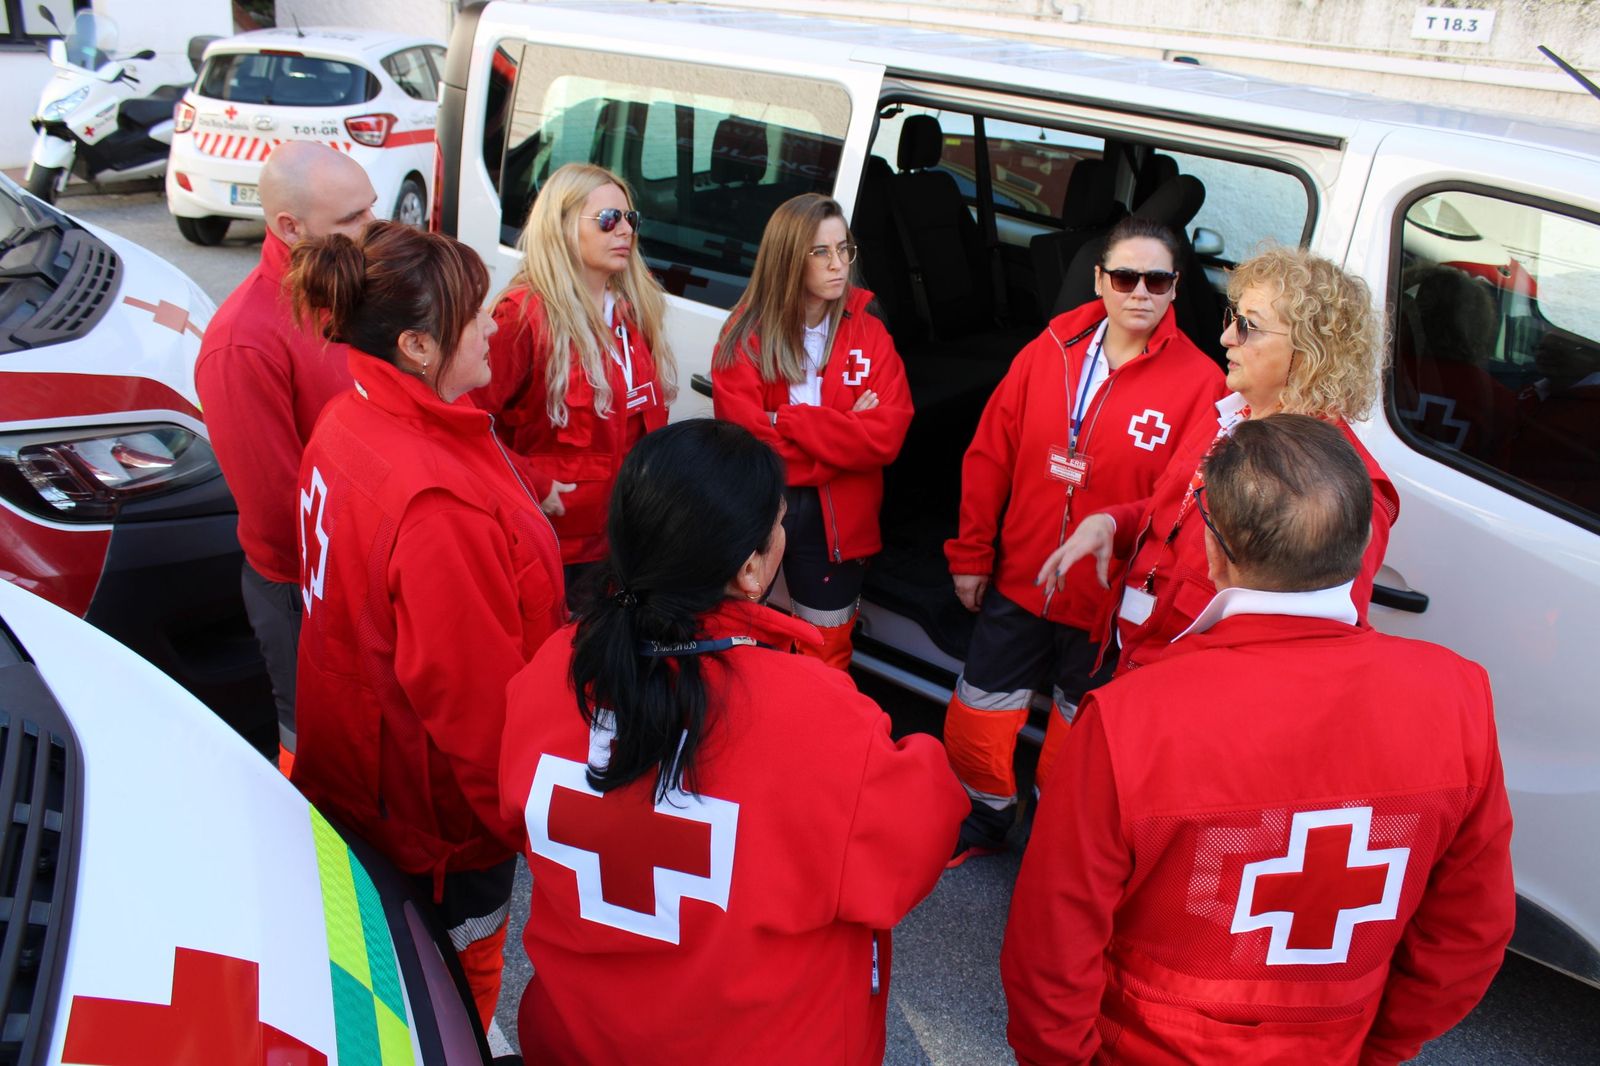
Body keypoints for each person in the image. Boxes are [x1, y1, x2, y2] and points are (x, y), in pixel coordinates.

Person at [1002, 415, 1514, 1065]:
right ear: (1361, 547)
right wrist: (1378, 1047)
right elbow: (1471, 934)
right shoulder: (1459, 699)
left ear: (1213, 551)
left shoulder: (1130, 720)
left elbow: (1052, 945)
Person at [501, 419, 965, 1065]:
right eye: (778, 524)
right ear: (751, 568)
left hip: (576, 1037)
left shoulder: (554, 668)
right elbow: (908, 852)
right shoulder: (813, 712)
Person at [288, 221, 565, 1032]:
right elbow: (476, 715)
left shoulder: (351, 417)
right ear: (416, 344)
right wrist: (535, 829)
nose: (494, 324)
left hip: (359, 773)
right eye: (476, 313)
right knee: (442, 998)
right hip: (438, 827)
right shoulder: (435, 503)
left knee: (368, 975)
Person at [941, 217, 1225, 862]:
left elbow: (1181, 502)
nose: (1140, 293)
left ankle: (1055, 840)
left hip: (1107, 602)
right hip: (1022, 577)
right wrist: (971, 554)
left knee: (1079, 735)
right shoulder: (1048, 350)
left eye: (1158, 279)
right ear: (1099, 280)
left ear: (1176, 289)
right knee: (979, 710)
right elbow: (990, 457)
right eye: (1124, 276)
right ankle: (983, 818)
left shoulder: (1202, 383)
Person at [1039, 246, 1401, 680]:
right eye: (1232, 319)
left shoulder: (1338, 484)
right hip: (1128, 648)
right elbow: (1173, 513)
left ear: (1309, 352)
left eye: (1249, 326)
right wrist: (1114, 525)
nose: (1227, 337)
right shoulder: (1229, 416)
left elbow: (1311, 653)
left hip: (1183, 690)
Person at [194, 141, 377, 772]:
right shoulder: (244, 341)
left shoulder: (348, 287)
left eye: (369, 210)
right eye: (351, 219)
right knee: (321, 756)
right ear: (289, 227)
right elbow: (281, 515)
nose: (371, 229)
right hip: (306, 593)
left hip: (367, 576)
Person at [712, 193, 913, 670]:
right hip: (765, 502)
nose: (838, 264)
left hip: (839, 516)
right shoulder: (746, 331)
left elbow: (886, 436)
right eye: (821, 252)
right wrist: (844, 435)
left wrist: (790, 420)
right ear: (787, 257)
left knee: (826, 647)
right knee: (733, 630)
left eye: (844, 249)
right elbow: (749, 442)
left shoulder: (870, 329)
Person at [472, 162, 675, 599]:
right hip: (552, 546)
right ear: (562, 226)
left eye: (630, 219)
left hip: (621, 539)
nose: (624, 231)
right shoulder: (522, 316)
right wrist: (535, 483)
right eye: (607, 220)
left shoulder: (635, 308)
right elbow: (467, 423)